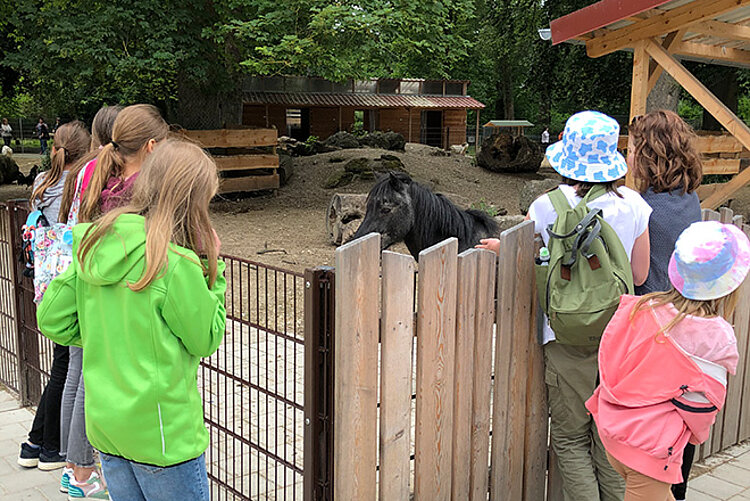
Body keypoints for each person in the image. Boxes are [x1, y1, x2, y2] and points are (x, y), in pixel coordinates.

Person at [37, 140, 226, 501]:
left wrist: (103, 333)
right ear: (193, 200)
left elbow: (51, 318)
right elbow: (206, 338)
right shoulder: (176, 264)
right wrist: (214, 272)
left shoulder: (94, 246)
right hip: (164, 439)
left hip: (108, 430)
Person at [478, 110, 651, 501]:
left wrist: (498, 248)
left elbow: (529, 253)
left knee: (571, 439)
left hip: (565, 335)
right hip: (620, 337)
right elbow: (640, 274)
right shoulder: (634, 204)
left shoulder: (546, 205)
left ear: (566, 157)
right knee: (610, 436)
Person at [587, 221, 748, 501]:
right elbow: (703, 406)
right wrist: (692, 435)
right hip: (651, 450)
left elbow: (610, 363)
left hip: (614, 433)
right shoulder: (717, 335)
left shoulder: (641, 306)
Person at [58, 104, 165, 499]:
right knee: (92, 377)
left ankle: (78, 465)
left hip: (87, 288)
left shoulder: (94, 175)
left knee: (83, 374)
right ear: (152, 145)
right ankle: (82, 469)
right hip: (125, 306)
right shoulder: (142, 191)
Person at [628, 109, 704, 501]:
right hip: (691, 330)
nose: (628, 156)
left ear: (648, 153)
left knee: (653, 447)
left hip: (656, 335)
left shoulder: (645, 209)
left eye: (633, 148)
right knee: (681, 433)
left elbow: (637, 276)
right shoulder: (690, 201)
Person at [56, 105, 124, 499]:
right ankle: (83, 470)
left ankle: (71, 463)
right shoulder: (104, 169)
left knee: (75, 372)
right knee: (84, 377)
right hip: (95, 278)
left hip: (78, 270)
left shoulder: (82, 168)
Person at [17, 121, 90, 472]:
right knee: (67, 365)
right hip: (70, 280)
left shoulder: (42, 181)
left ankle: (35, 442)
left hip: (47, 282)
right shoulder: (79, 182)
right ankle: (50, 447)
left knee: (62, 363)